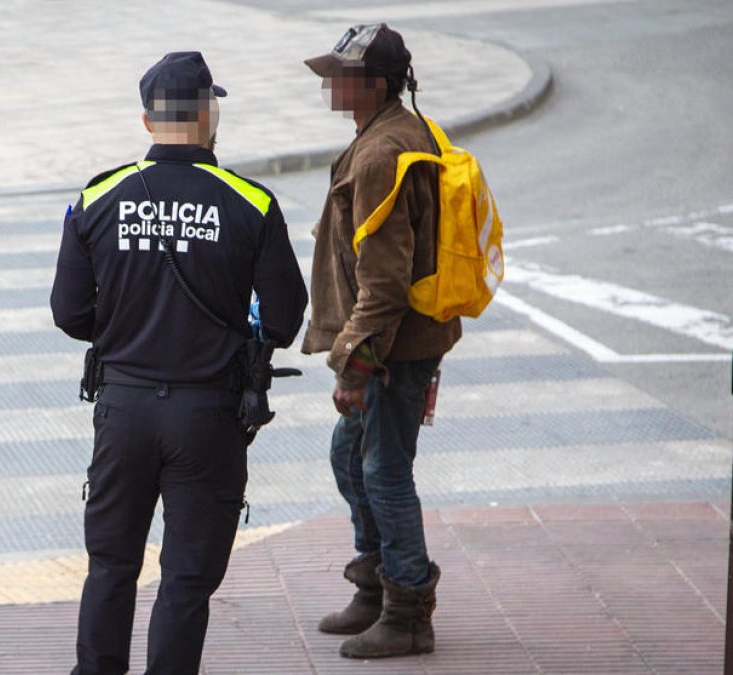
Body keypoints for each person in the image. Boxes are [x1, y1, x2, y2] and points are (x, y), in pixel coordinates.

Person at [52, 51, 309, 675]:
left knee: (111, 564)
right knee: (187, 579)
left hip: (124, 408)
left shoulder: (97, 196)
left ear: (147, 122)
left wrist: (123, 328)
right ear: (208, 113)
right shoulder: (250, 202)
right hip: (208, 415)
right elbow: (284, 315)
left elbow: (68, 311)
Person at [300, 23, 458, 659]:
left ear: (373, 84)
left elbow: (387, 281)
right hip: (406, 344)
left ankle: (408, 609)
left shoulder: (379, 155)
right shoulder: (389, 134)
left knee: (383, 471)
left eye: (341, 73)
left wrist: (354, 366)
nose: (330, 83)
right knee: (351, 458)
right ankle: (374, 586)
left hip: (390, 349)